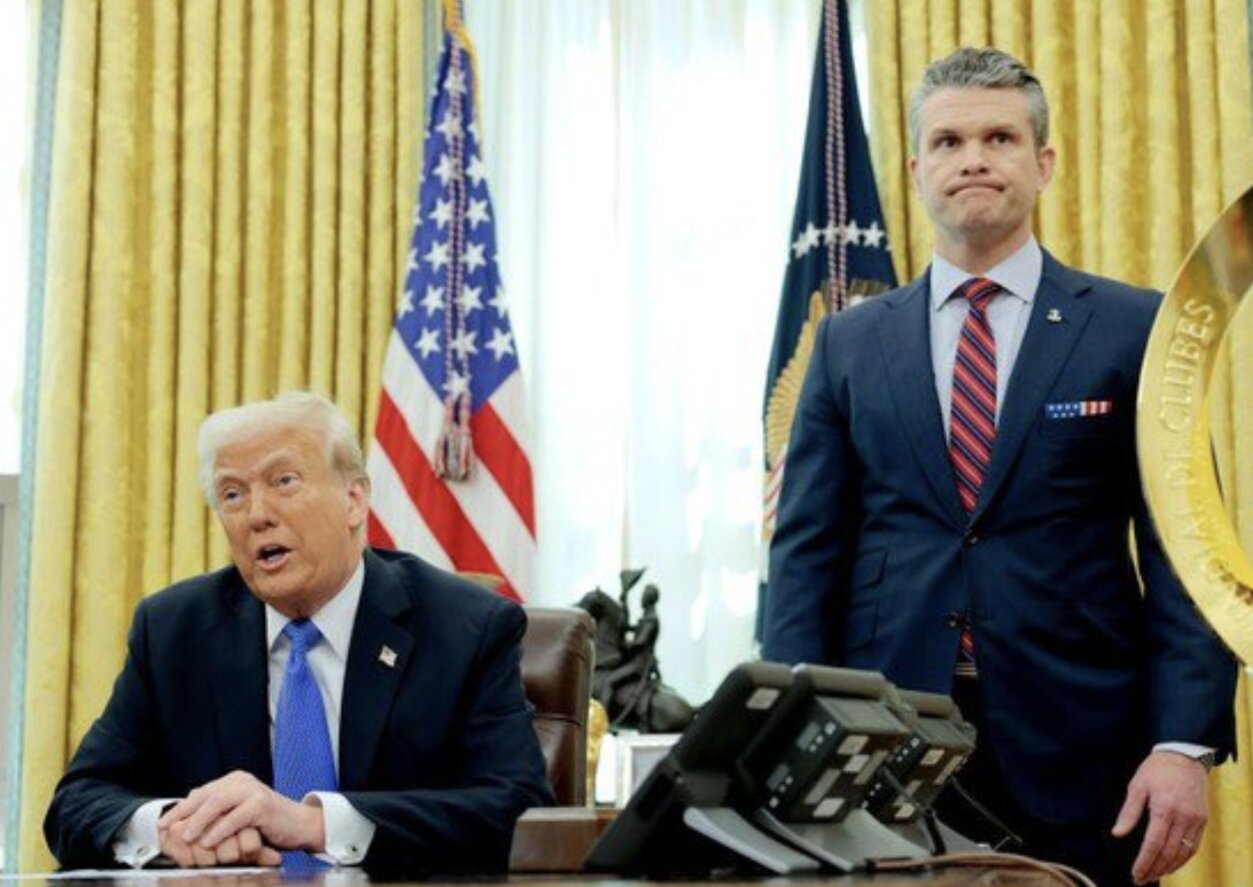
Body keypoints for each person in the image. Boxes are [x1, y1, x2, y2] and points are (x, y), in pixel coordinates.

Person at [762, 47, 1236, 887]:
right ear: (916, 172)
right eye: (947, 142)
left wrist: (1181, 744)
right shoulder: (847, 343)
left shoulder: (1134, 330)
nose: (972, 159)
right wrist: (792, 728)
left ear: (1042, 163)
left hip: (1084, 750)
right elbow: (805, 555)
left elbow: (1186, 554)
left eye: (999, 138)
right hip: (884, 749)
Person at [44, 392, 553, 873]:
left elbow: (518, 810)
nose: (257, 515)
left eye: (284, 481)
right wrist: (170, 829)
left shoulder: (466, 628)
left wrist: (314, 824)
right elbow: (76, 803)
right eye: (232, 494)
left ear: (354, 499)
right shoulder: (174, 631)